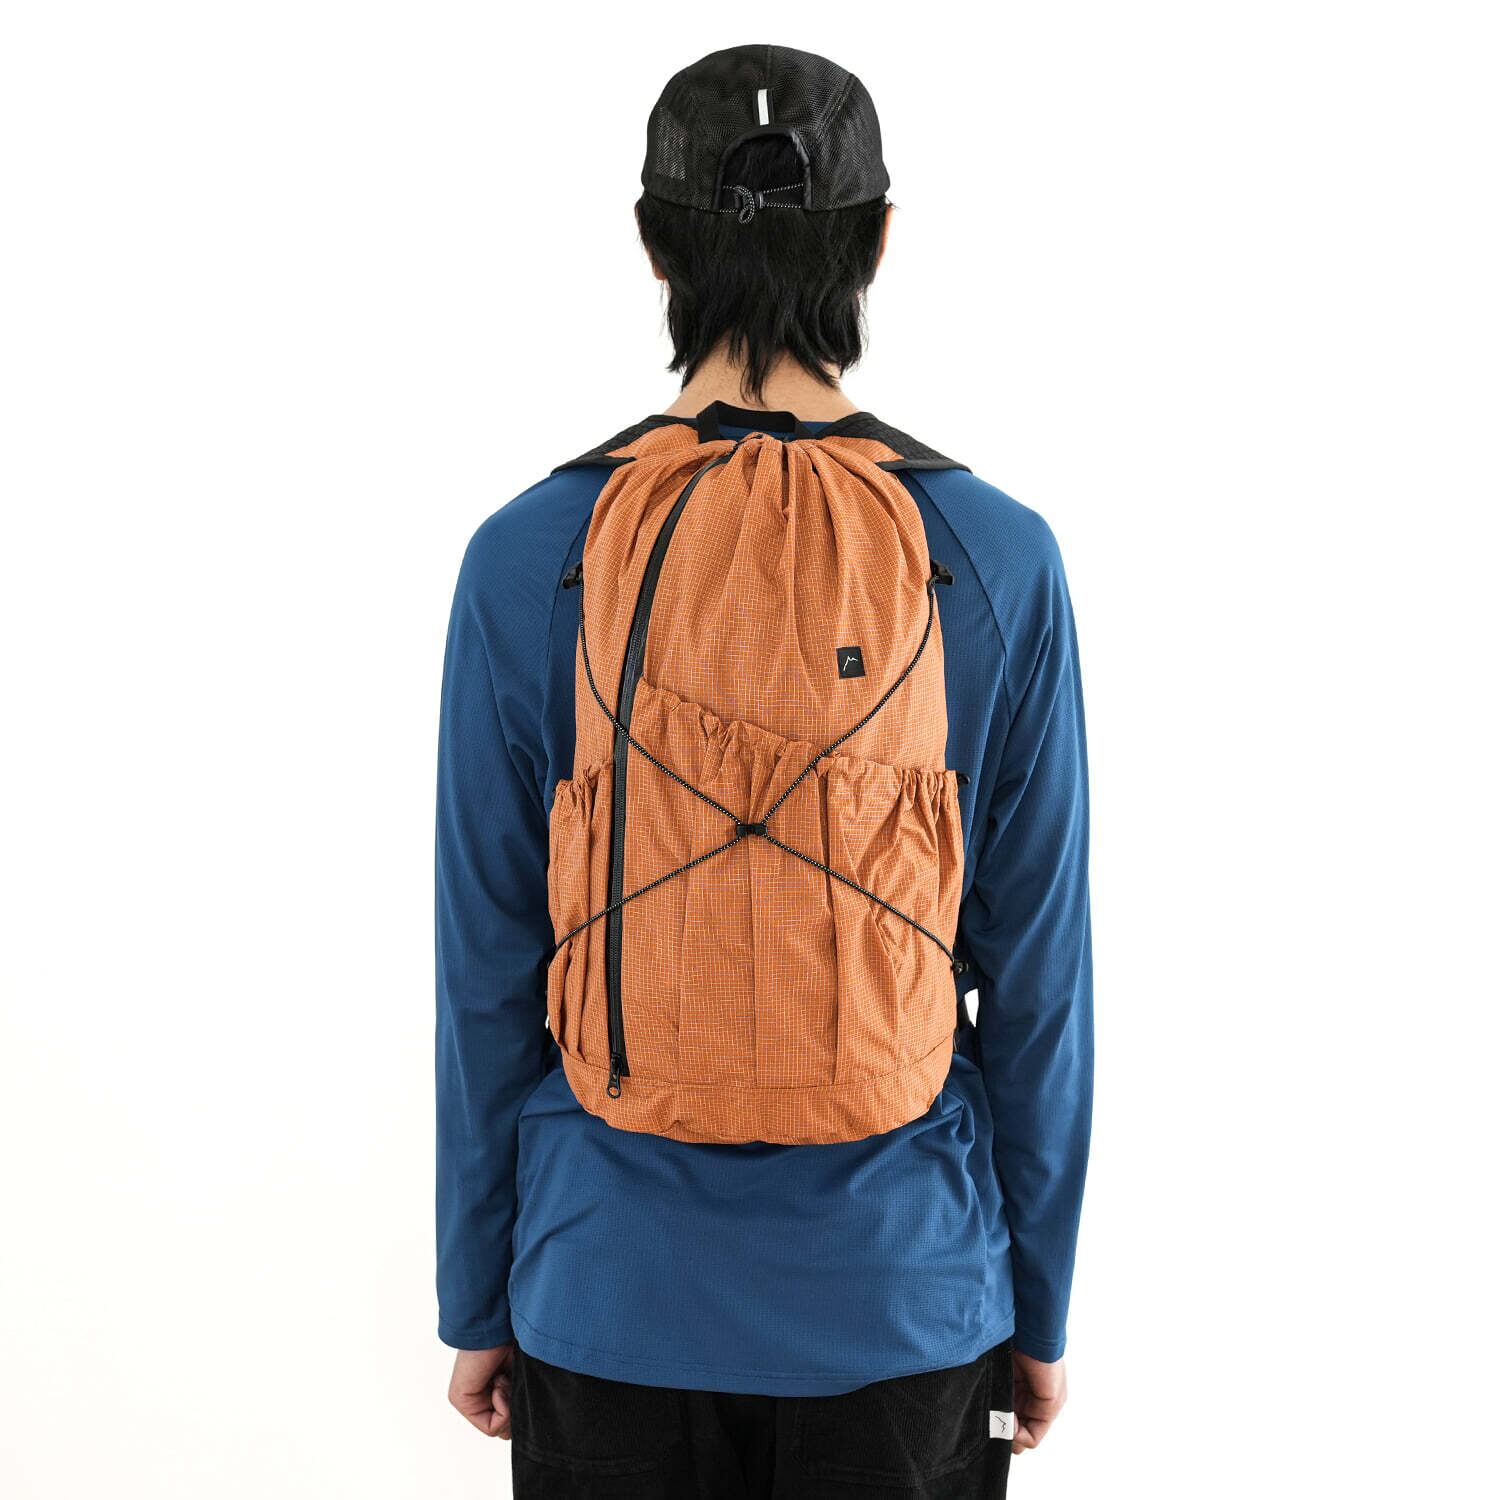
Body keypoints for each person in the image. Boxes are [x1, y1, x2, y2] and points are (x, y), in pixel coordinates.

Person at [436, 44, 1092, 1498]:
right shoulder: (994, 557)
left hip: (605, 1293)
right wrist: (1036, 1306)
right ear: (877, 240)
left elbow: (485, 970)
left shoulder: (529, 555)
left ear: (654, 244)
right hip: (906, 1301)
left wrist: (477, 1293)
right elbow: (1041, 985)